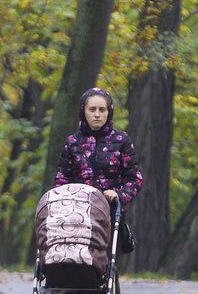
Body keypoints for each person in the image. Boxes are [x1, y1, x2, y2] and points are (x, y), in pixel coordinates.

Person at [54, 87, 143, 251]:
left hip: (109, 212)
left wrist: (119, 195)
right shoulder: (72, 142)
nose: (97, 114)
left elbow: (134, 178)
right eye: (92, 109)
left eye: (102, 110)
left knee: (103, 260)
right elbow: (61, 179)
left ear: (109, 112)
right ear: (83, 112)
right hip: (76, 212)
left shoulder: (121, 140)